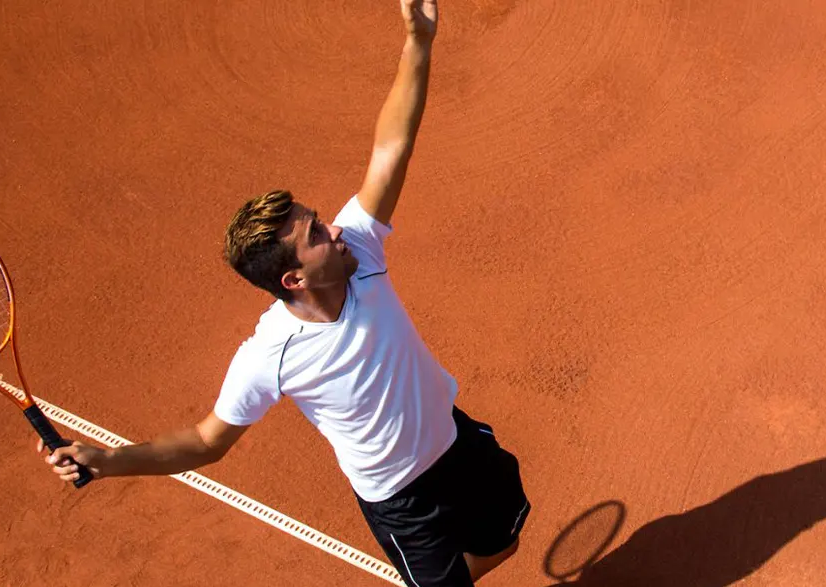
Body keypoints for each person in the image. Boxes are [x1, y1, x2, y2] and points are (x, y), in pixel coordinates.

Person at [41, 1, 530, 583]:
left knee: (506, 544)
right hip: (403, 503)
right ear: (293, 279)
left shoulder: (360, 252)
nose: (339, 229)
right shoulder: (269, 357)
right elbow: (204, 441)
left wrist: (418, 41)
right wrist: (109, 461)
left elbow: (390, 146)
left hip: (457, 447)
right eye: (318, 233)